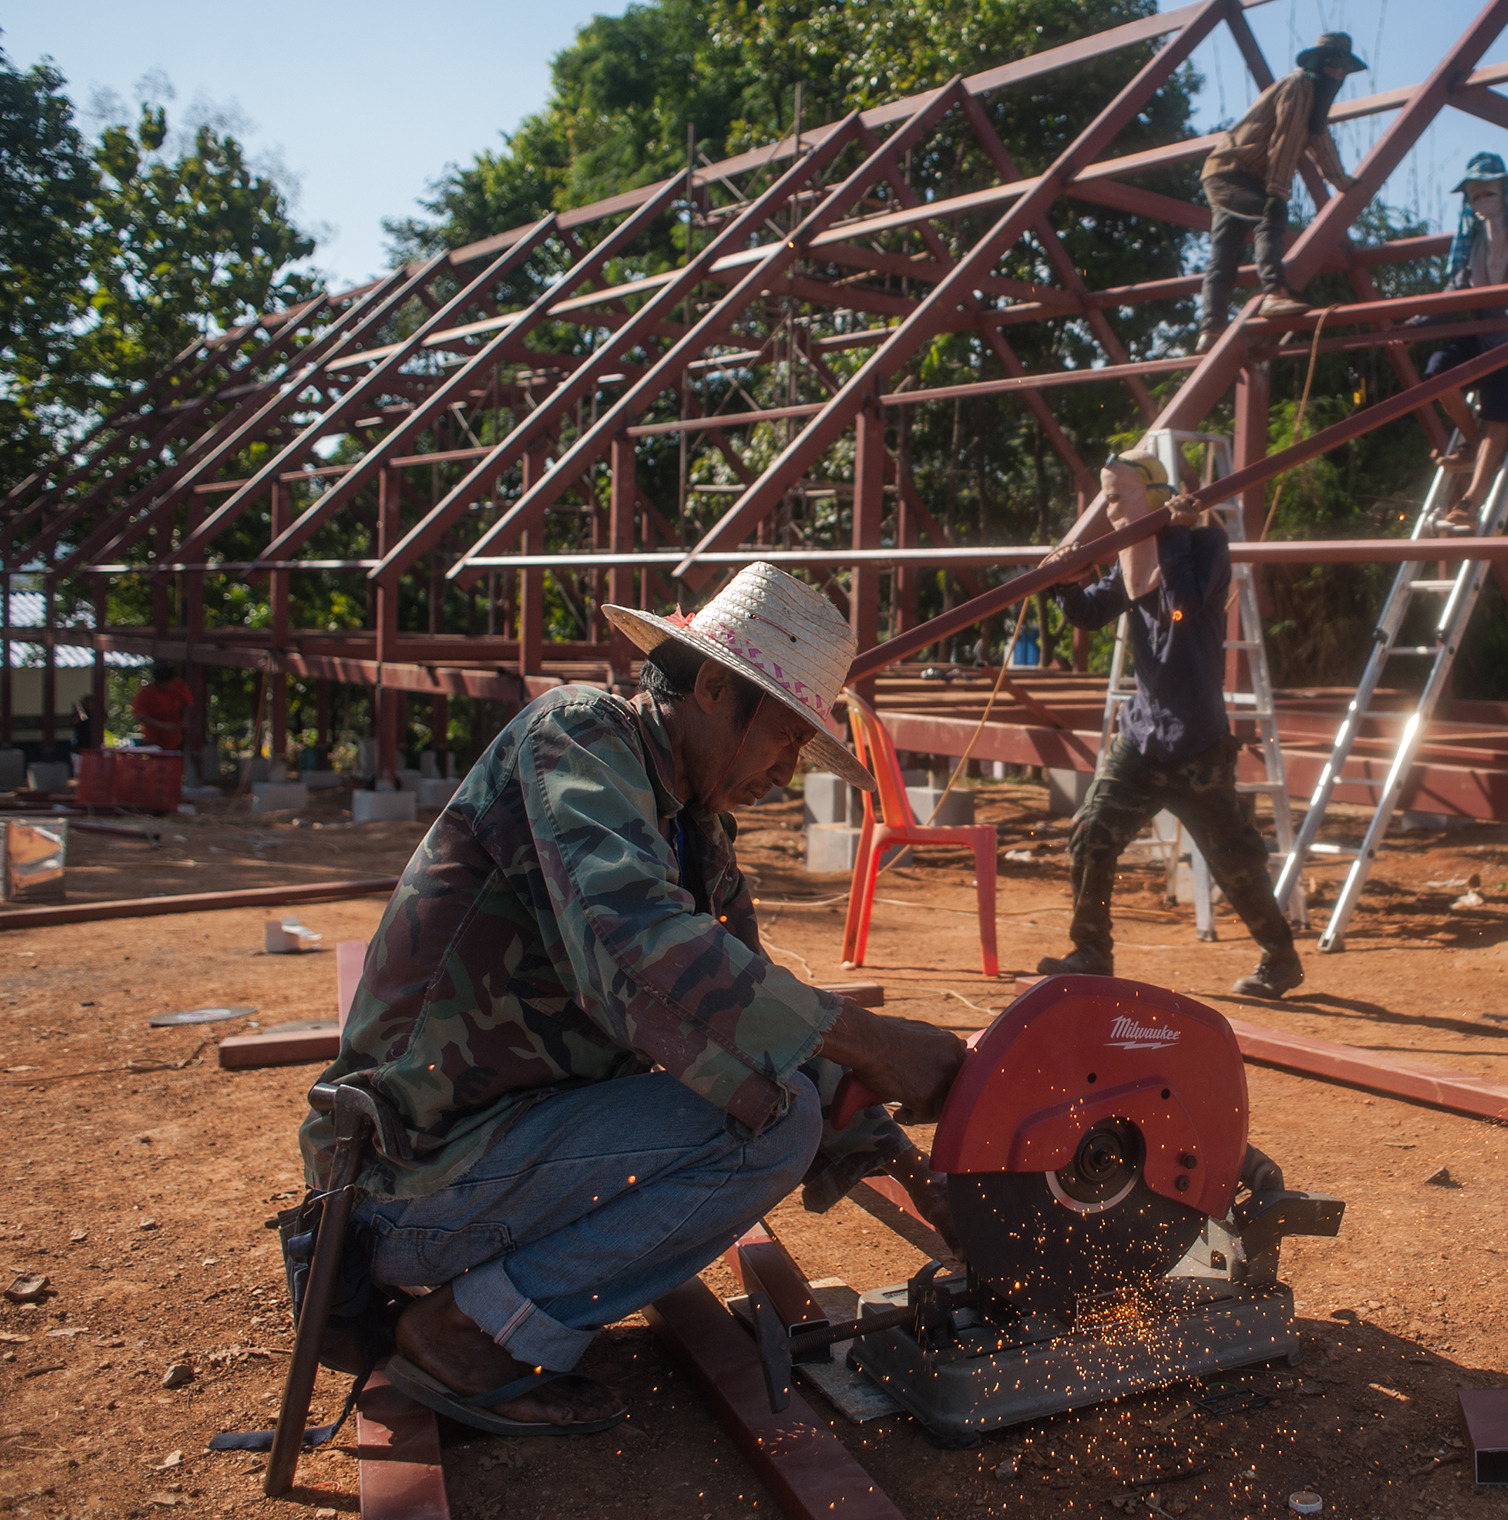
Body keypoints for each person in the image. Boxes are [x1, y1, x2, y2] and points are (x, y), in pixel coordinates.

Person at [297, 563, 965, 1435]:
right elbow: (637, 945)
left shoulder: (694, 829)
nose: (787, 770)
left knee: (790, 1099)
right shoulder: (576, 738)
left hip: (496, 1150)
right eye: (788, 739)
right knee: (774, 1124)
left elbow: (759, 1024)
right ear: (717, 688)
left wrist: (929, 1171)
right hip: (409, 1173)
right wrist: (876, 1043)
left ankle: (489, 1307)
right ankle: (461, 1332)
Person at [1033, 449, 1305, 999]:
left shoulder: (1205, 546)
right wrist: (1060, 582)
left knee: (1234, 860)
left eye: (1116, 497)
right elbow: (1090, 612)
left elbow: (1181, 608)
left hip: (1197, 744)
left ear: (1154, 497)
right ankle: (1091, 951)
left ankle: (1280, 957)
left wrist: (1175, 533)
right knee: (1092, 833)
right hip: (1143, 737)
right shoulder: (1128, 557)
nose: (1107, 512)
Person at [1194, 32, 1367, 350]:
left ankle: (1212, 328)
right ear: (1318, 63)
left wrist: (1341, 180)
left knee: (1226, 252)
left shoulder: (1314, 98)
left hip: (1231, 172)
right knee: (1269, 217)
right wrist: (1277, 192)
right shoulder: (1300, 85)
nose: (1339, 73)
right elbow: (1285, 140)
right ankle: (1274, 293)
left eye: (1344, 68)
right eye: (1334, 64)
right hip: (1234, 171)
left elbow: (1318, 138)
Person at [1419, 154, 1508, 533]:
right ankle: (1473, 441)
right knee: (1437, 374)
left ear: (1505, 190)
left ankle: (1471, 501)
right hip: (1482, 330)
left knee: (1499, 412)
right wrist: (1418, 321)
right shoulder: (1473, 238)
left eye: (1488, 192)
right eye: (1474, 196)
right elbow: (1456, 288)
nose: (1481, 202)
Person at [131, 664, 191, 751]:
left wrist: (185, 721)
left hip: (177, 740)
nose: (169, 686)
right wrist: (162, 725)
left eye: (171, 682)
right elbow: (139, 715)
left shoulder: (179, 686)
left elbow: (188, 703)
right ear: (158, 682)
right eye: (166, 684)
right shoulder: (145, 694)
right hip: (153, 741)